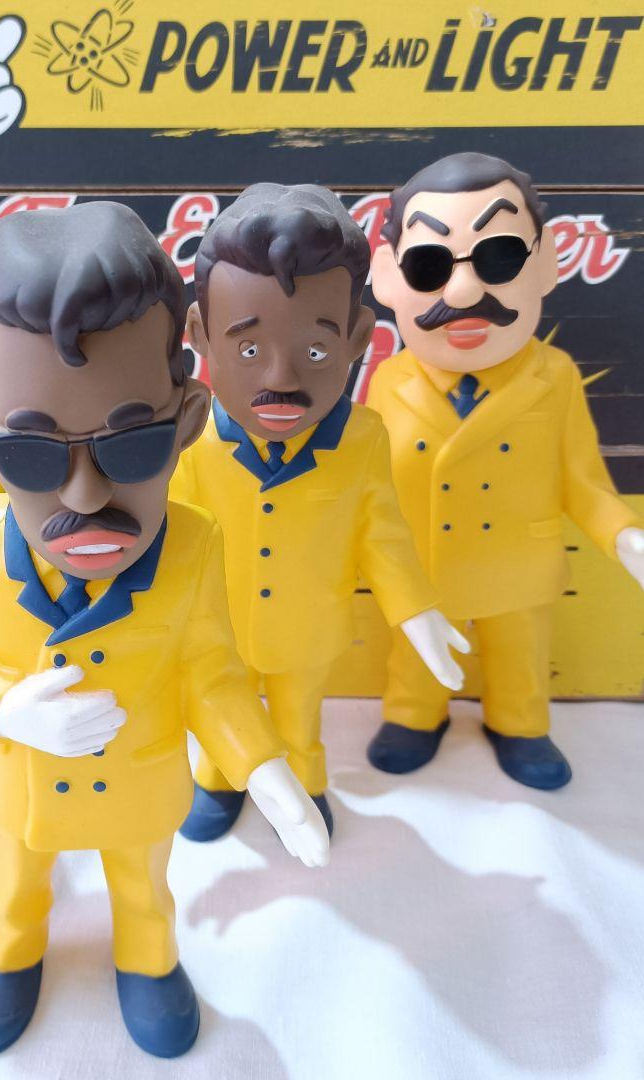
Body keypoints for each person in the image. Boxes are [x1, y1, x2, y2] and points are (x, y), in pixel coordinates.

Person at [0, 201, 329, 1058]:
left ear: (187, 421)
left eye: (131, 444)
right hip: (23, 790)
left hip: (142, 790)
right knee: (17, 888)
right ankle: (11, 949)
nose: (84, 496)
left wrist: (265, 770)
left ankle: (149, 959)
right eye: (31, 453)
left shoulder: (194, 546)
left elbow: (212, 678)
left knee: (143, 891)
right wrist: (9, 711)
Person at [175, 182, 467, 843]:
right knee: (219, 711)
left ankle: (305, 782)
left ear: (359, 338)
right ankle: (218, 779)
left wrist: (415, 609)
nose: (281, 378)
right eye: (248, 349)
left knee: (300, 718)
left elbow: (381, 534)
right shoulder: (189, 438)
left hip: (310, 626)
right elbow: (174, 535)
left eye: (315, 351)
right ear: (199, 336)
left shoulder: (361, 439)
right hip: (218, 630)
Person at [365, 151, 644, 788]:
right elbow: (372, 488)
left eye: (499, 257)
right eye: (429, 265)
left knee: (521, 655)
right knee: (416, 655)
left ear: (544, 264)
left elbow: (583, 481)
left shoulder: (555, 377)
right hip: (426, 568)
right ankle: (413, 715)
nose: (464, 293)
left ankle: (520, 723)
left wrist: (624, 535)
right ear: (388, 278)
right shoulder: (389, 381)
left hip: (520, 561)